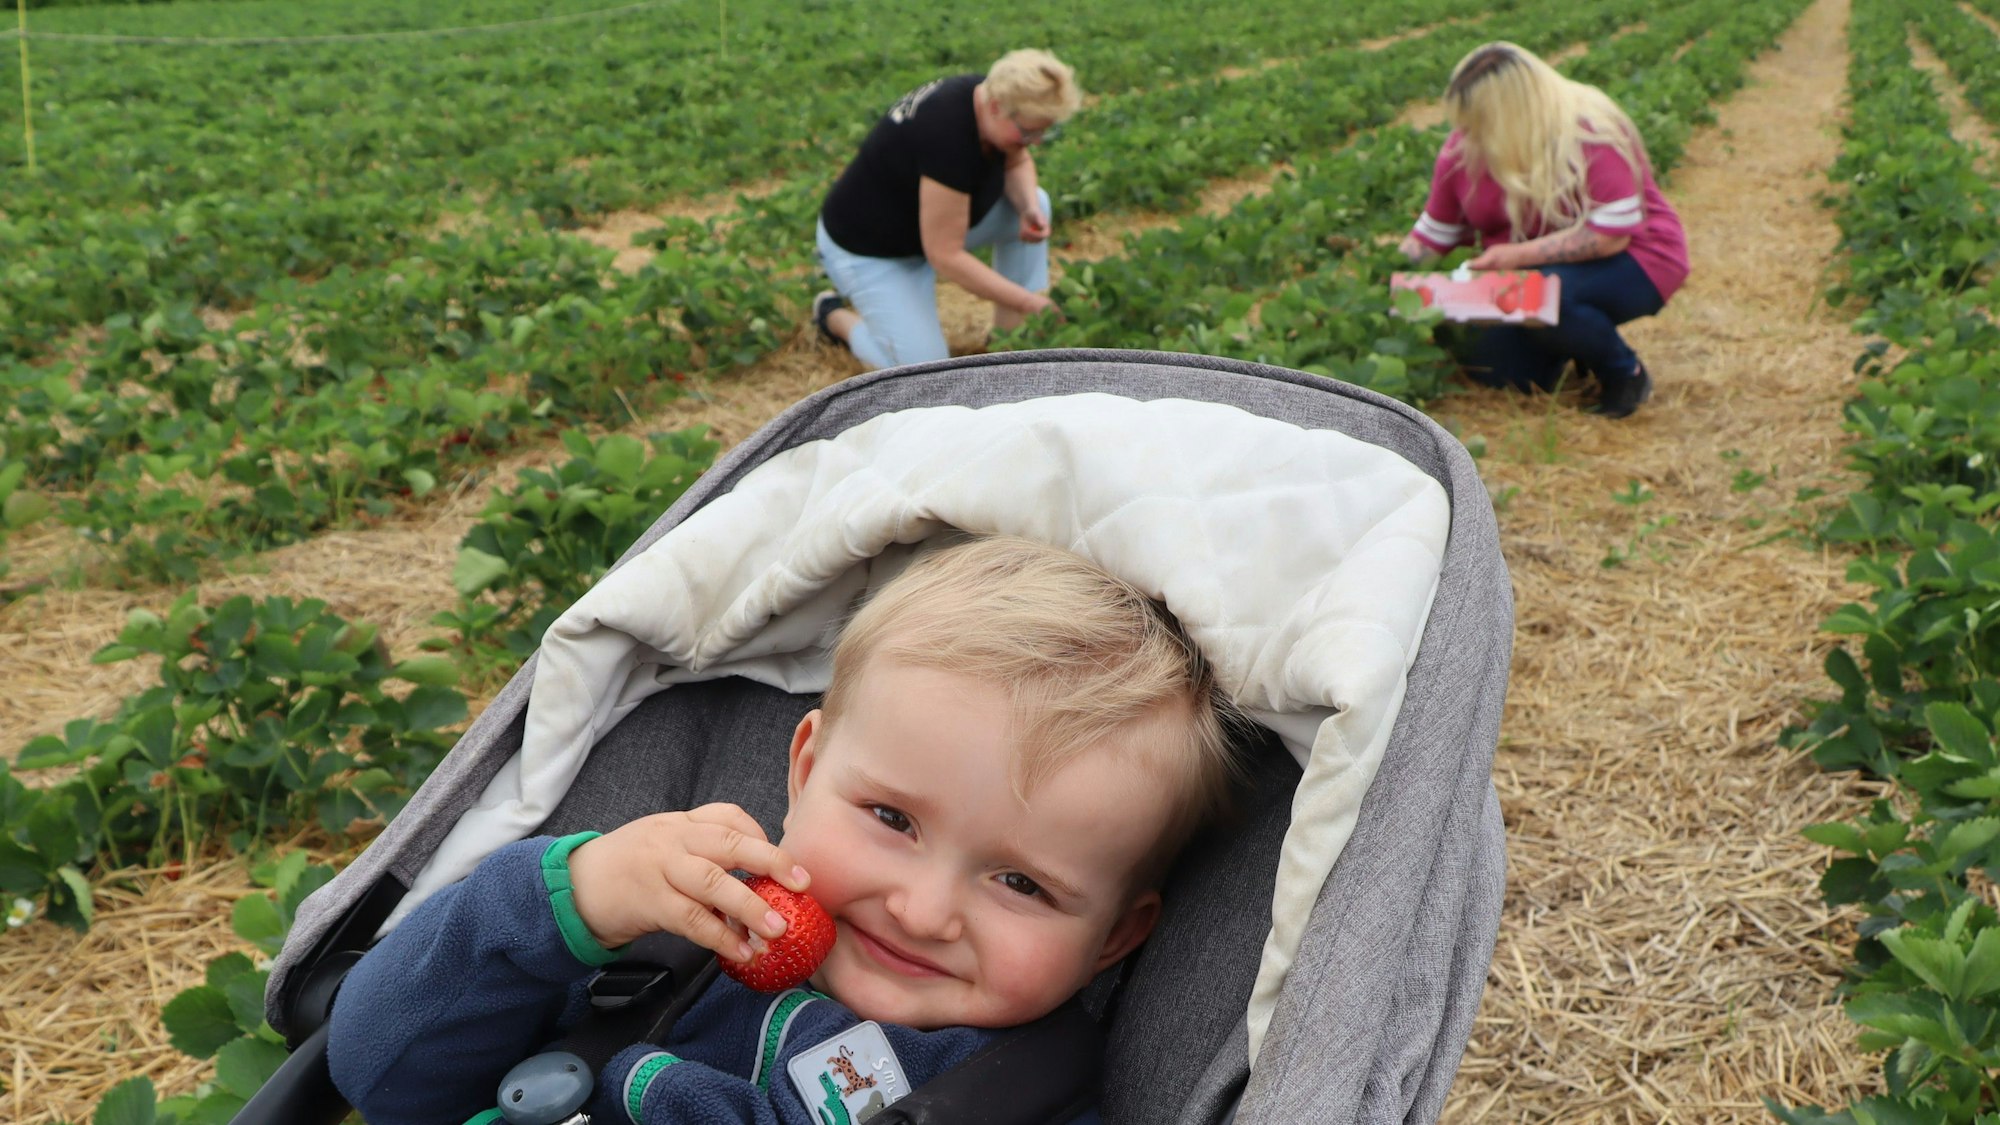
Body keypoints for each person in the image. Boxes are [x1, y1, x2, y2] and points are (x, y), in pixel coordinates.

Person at [327, 535, 1243, 1124]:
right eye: (892, 818)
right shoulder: (648, 947)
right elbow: (380, 1074)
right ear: (803, 771)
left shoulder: (1023, 1097)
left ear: (1117, 934)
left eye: (1023, 883)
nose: (923, 910)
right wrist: (566, 899)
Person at [1398, 42, 1690, 418]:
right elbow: (1431, 236)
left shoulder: (1588, 131)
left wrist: (1514, 256)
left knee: (1545, 294)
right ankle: (1567, 341)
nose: (1468, 135)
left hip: (1636, 260)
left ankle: (1624, 373)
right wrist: (1387, 286)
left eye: (1481, 123)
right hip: (1526, 278)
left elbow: (1610, 235)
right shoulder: (1463, 149)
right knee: (1500, 371)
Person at [810, 50, 1081, 370]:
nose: (1034, 141)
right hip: (871, 251)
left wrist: (1028, 207)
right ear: (995, 108)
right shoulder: (946, 133)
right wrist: (1029, 302)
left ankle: (1009, 345)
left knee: (1040, 201)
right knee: (922, 372)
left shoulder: (995, 94)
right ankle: (833, 316)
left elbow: (1018, 161)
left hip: (927, 229)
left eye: (1042, 132)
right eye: (1027, 132)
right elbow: (945, 255)